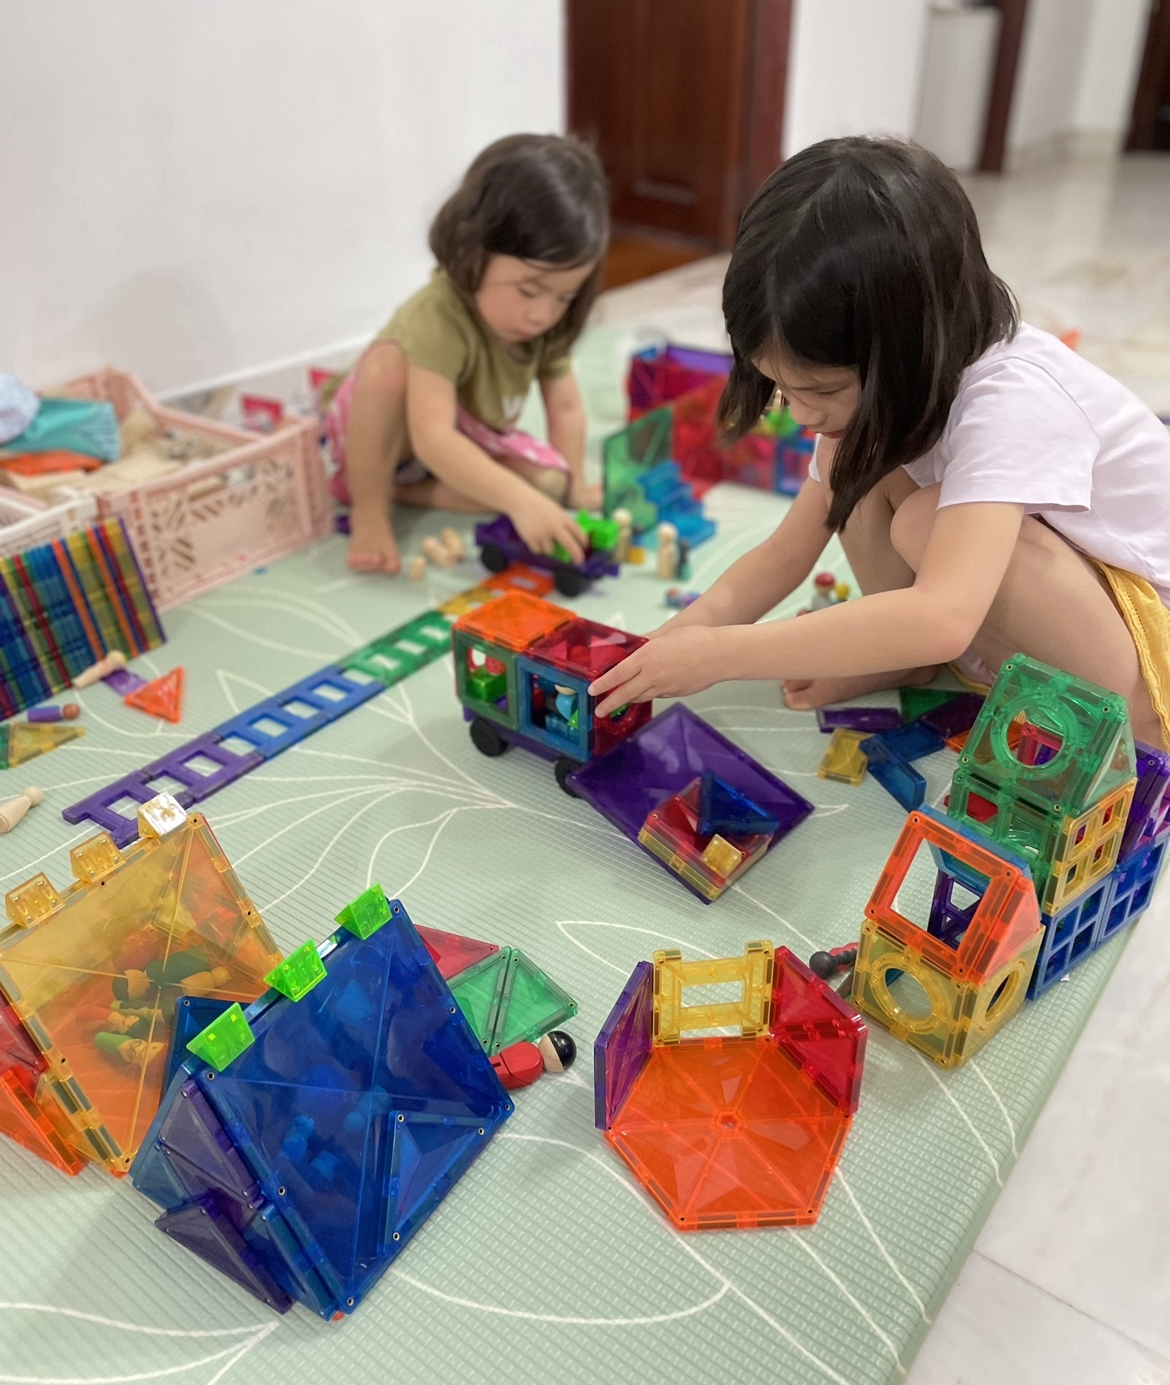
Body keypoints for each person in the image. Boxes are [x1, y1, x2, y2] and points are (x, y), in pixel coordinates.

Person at [589, 137, 1170, 750]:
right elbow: (783, 557)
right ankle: (904, 658)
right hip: (1055, 611)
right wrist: (661, 651)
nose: (802, 414)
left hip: (1146, 647)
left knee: (922, 524)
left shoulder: (1014, 398)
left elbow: (944, 618)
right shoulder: (883, 396)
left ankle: (1137, 723)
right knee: (857, 463)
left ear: (911, 344)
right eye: (779, 387)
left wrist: (724, 655)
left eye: (819, 388)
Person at [324, 133, 608, 575]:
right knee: (387, 368)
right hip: (398, 434)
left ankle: (405, 493)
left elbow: (566, 408)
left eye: (564, 297)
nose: (542, 314)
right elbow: (432, 437)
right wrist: (519, 500)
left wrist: (575, 489)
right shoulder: (438, 314)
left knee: (548, 485)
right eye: (529, 290)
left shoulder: (544, 321)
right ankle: (369, 503)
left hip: (466, 435)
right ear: (472, 249)